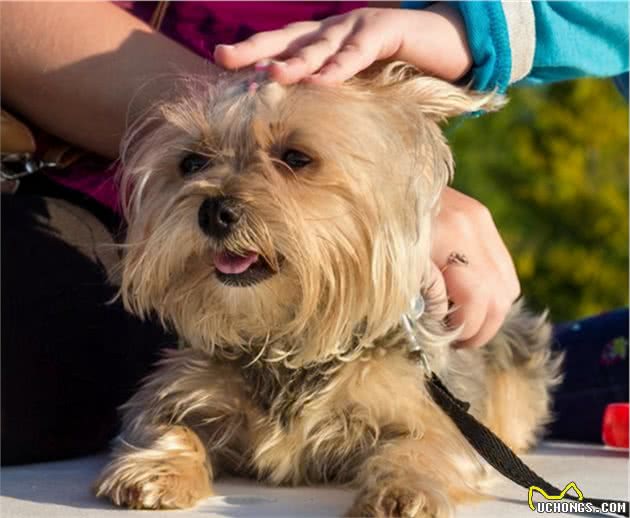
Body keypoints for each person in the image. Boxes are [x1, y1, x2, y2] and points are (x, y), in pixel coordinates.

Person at [1, 1, 627, 465]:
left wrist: (469, 27)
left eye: (293, 160)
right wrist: (336, 153)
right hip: (69, 201)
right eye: (195, 161)